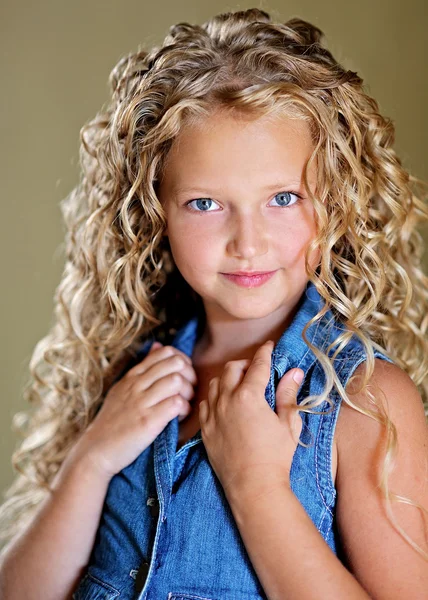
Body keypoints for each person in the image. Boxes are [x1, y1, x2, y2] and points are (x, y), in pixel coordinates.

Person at [0, 8, 427, 600]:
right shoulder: (131, 378)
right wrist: (92, 461)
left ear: (336, 201)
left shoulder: (366, 402)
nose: (248, 243)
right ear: (155, 212)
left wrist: (256, 486)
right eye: (205, 204)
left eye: (283, 197)